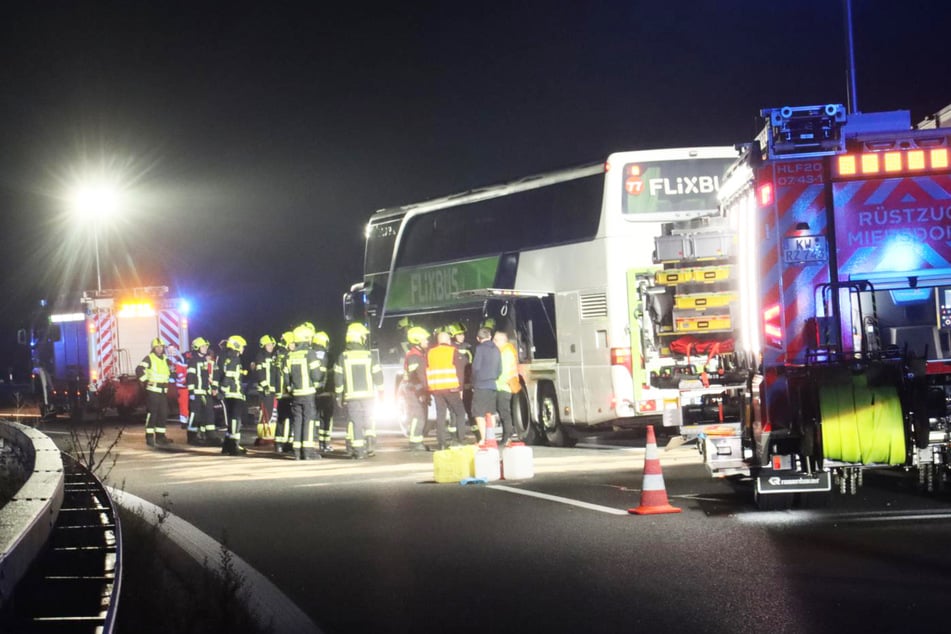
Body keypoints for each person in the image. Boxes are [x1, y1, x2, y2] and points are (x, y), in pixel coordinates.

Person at [333, 322, 383, 459]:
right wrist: (381, 391)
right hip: (368, 396)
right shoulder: (368, 355)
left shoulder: (343, 357)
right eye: (363, 336)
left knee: (355, 423)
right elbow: (378, 376)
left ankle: (359, 451)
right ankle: (370, 445)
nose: (365, 339)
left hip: (351, 397)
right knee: (369, 420)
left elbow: (338, 379)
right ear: (358, 337)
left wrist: (338, 396)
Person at [285, 325, 325, 460]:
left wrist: (291, 389)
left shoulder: (290, 355)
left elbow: (286, 377)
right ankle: (307, 452)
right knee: (308, 421)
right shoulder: (310, 353)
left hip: (295, 394)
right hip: (308, 393)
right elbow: (316, 375)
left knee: (297, 420)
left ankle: (296, 451)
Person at [426, 330, 469, 449]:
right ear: (448, 341)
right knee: (460, 412)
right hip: (451, 387)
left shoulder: (430, 352)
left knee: (441, 415)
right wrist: (460, 388)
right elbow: (461, 368)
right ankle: (460, 439)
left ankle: (442, 443)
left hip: (436, 388)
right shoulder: (452, 351)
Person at [215, 335, 249, 456]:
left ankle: (227, 445)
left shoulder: (228, 358)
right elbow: (229, 376)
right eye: (242, 346)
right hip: (234, 394)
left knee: (231, 419)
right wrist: (222, 391)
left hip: (230, 394)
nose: (243, 349)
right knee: (235, 419)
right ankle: (234, 445)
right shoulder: (234, 359)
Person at [135, 338, 172, 447]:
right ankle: (149, 437)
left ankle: (161, 437)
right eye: (158, 347)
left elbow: (168, 372)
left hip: (163, 390)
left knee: (163, 413)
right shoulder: (149, 358)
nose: (160, 349)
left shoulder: (165, 359)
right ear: (154, 348)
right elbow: (139, 370)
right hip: (153, 391)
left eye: (161, 347)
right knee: (153, 414)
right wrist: (145, 380)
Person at [447, 321, 479, 441]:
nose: (462, 336)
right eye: (459, 334)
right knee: (454, 413)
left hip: (467, 385)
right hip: (454, 386)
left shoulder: (468, 348)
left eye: (462, 334)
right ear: (453, 336)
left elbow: (473, 366)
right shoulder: (450, 349)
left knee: (471, 411)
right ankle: (454, 437)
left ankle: (477, 435)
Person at [470, 327, 501, 446]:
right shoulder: (497, 349)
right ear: (490, 336)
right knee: (491, 412)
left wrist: (473, 382)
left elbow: (476, 367)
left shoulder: (480, 349)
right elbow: (500, 369)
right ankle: (491, 437)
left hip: (481, 385)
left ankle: (483, 438)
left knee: (479, 413)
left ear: (478, 338)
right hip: (492, 385)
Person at [402, 326, 430, 451]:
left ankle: (418, 441)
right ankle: (414, 442)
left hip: (417, 390)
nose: (427, 342)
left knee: (421, 415)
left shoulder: (419, 354)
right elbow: (415, 377)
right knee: (418, 416)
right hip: (414, 390)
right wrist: (421, 391)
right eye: (425, 339)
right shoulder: (414, 356)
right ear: (417, 340)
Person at [186, 337, 218, 446]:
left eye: (205, 346)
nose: (205, 348)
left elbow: (206, 376)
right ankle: (191, 436)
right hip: (196, 393)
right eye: (203, 346)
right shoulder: (193, 361)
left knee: (209, 414)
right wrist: (191, 393)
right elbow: (190, 378)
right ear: (197, 348)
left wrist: (212, 386)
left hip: (205, 392)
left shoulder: (204, 360)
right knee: (195, 415)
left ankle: (211, 436)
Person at [494, 330, 521, 446]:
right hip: (504, 386)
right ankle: (506, 436)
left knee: (504, 413)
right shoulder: (505, 351)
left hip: (504, 386)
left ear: (502, 341)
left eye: (495, 340)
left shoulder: (506, 352)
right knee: (503, 412)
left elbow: (503, 372)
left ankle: (507, 437)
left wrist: (495, 383)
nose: (493, 342)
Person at [254, 334, 280, 446]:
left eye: (272, 345)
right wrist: (265, 386)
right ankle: (264, 437)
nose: (271, 347)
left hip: (272, 391)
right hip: (265, 391)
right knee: (264, 414)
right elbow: (260, 373)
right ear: (263, 345)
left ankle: (269, 436)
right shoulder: (260, 356)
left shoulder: (273, 356)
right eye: (268, 345)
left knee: (272, 414)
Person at [312, 330, 334, 452]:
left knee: (314, 418)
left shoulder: (310, 354)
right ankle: (324, 443)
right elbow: (329, 374)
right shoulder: (325, 356)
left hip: (312, 392)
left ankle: (315, 443)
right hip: (324, 392)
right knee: (326, 419)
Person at [273, 331, 295, 452]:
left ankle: (279, 443)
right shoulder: (288, 356)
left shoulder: (278, 354)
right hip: (287, 392)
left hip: (281, 392)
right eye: (292, 343)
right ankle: (287, 444)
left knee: (281, 418)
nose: (294, 345)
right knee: (290, 418)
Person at [165, 342, 189, 429]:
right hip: (179, 386)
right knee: (183, 404)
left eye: (173, 349)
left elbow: (182, 371)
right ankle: (184, 422)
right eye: (169, 349)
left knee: (186, 404)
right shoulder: (167, 359)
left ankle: (187, 421)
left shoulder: (180, 358)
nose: (171, 351)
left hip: (184, 385)